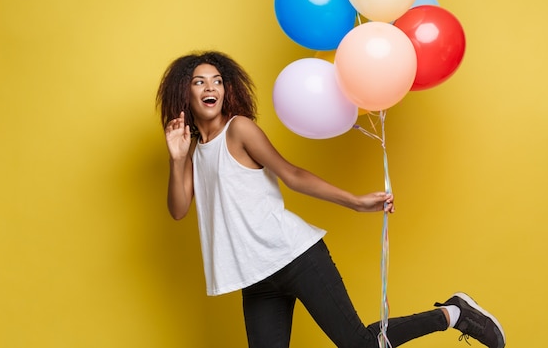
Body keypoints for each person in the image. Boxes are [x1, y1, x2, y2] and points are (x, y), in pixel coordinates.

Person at [155, 50, 506, 348]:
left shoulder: (239, 129)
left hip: (295, 257)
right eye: (199, 81)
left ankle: (454, 313)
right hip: (255, 278)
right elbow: (178, 209)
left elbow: (292, 175)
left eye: (216, 79)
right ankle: (455, 312)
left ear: (226, 88)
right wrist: (176, 158)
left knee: (360, 345)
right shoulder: (193, 151)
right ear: (184, 92)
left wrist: (354, 201)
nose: (210, 87)